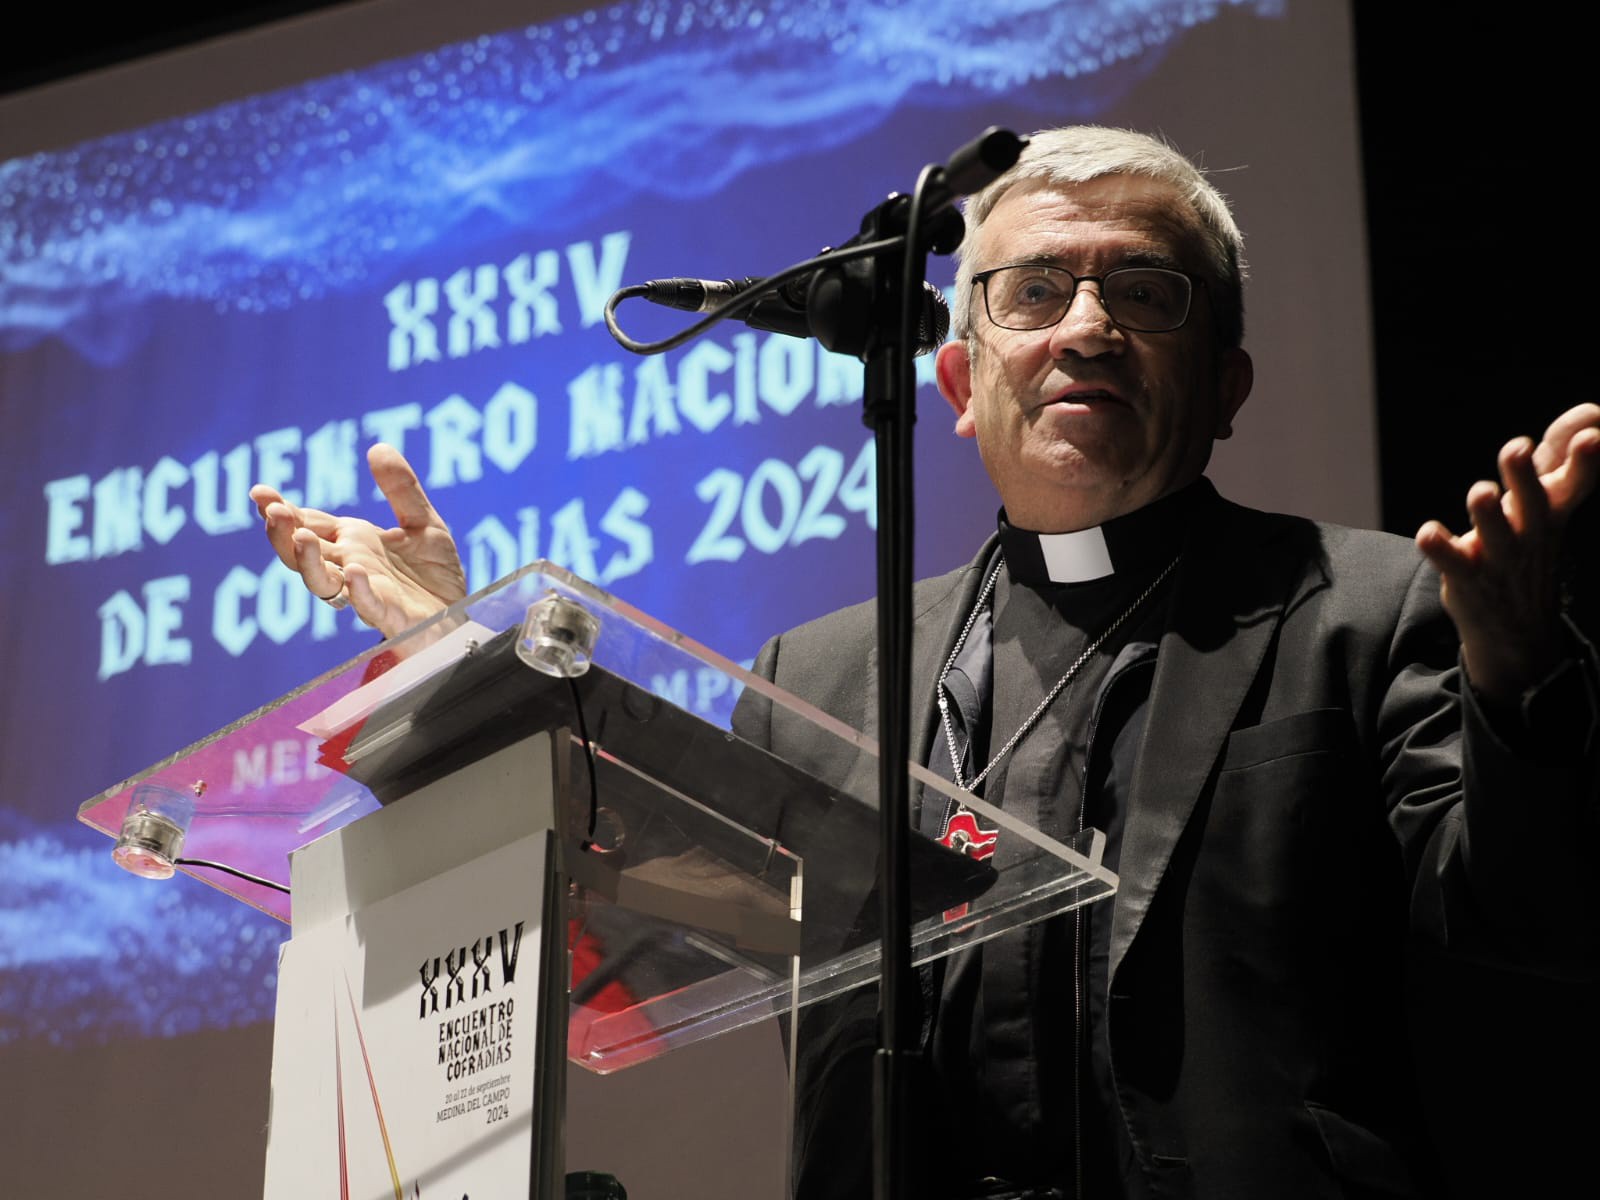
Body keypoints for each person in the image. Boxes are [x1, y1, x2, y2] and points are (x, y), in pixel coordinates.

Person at [253, 127, 1599, 1199]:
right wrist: (453, 650)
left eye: (1142, 290)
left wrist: (1521, 675)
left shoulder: (1366, 609)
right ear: (956, 384)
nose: (1085, 326)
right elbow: (652, 899)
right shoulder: (822, 673)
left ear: (1229, 379)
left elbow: (1535, 916)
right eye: (1034, 291)